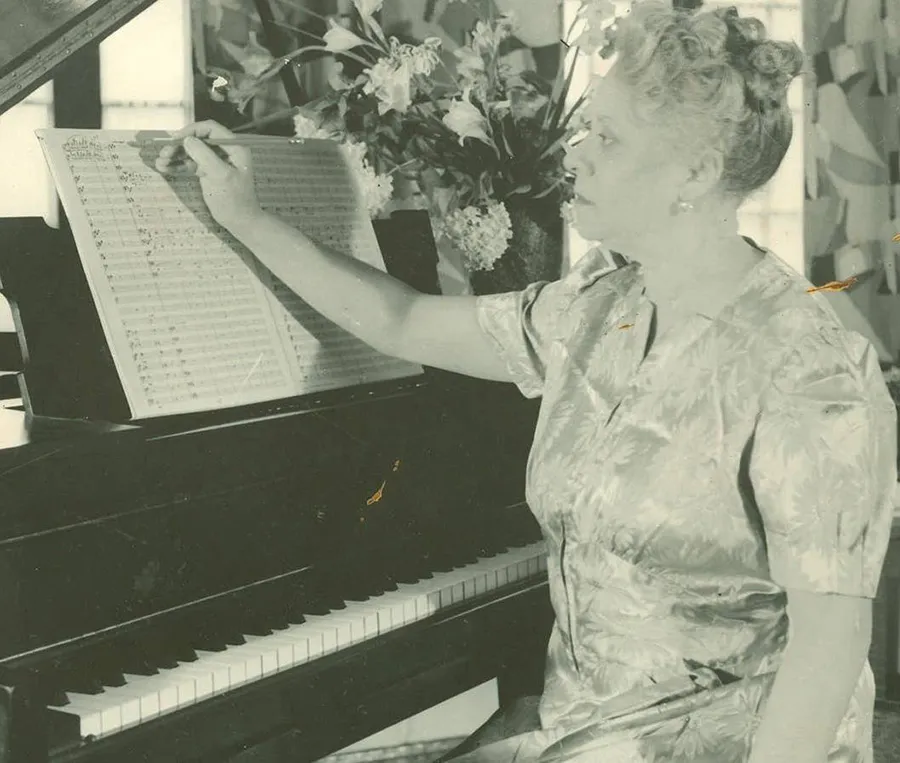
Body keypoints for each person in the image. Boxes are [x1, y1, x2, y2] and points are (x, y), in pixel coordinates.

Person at [157, 3, 897, 761]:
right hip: (585, 733)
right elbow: (404, 320)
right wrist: (244, 217)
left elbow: (829, 648)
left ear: (697, 173)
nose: (578, 156)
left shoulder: (807, 368)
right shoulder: (596, 306)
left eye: (607, 138)